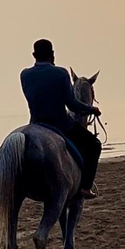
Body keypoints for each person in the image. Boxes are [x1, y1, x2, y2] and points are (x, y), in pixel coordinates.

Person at [20, 39, 101, 200]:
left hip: (36, 123)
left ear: (34, 55)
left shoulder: (25, 75)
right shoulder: (61, 73)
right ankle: (85, 187)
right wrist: (91, 109)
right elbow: (71, 103)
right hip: (60, 124)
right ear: (52, 55)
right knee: (94, 145)